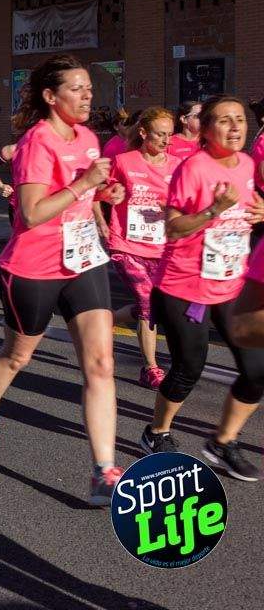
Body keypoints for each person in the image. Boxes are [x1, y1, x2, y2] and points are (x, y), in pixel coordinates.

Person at [0, 54, 127, 506]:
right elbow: (32, 213)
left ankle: (104, 470)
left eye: (89, 87)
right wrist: (83, 183)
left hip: (83, 262)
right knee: (16, 357)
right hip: (32, 268)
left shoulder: (89, 137)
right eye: (77, 88)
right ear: (51, 97)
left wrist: (104, 194)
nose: (87, 94)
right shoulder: (37, 143)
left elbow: (88, 189)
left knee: (100, 365)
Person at [140, 96, 264, 482]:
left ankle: (223, 442)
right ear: (206, 129)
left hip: (231, 282)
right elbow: (172, 227)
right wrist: (212, 210)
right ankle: (156, 432)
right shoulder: (194, 168)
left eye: (240, 119)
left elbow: (252, 206)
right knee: (188, 366)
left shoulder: (247, 164)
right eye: (225, 120)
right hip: (186, 284)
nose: (235, 127)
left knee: (257, 369)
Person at [96, 107, 179, 389]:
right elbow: (97, 193)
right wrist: (102, 222)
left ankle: (106, 320)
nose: (166, 140)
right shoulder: (123, 161)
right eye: (160, 134)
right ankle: (151, 368)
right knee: (146, 303)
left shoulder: (178, 165)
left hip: (162, 248)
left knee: (158, 306)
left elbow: (188, 201)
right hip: (126, 245)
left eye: (170, 134)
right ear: (143, 133)